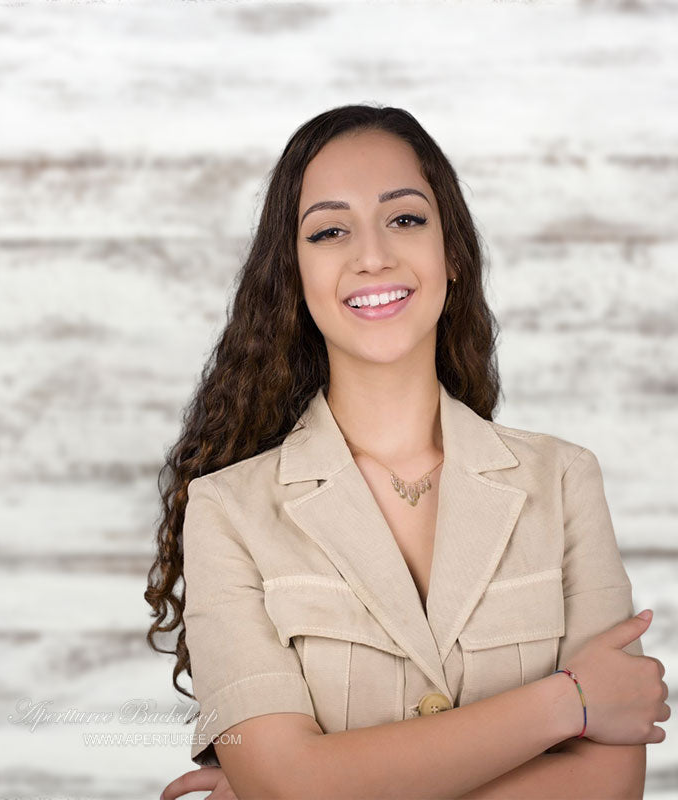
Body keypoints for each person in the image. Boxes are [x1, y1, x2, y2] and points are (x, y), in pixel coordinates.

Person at [145, 104, 669, 800]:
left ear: (450, 251)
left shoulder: (564, 481)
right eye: (330, 231)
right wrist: (567, 703)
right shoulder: (227, 512)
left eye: (405, 218)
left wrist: (315, 785)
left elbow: (608, 786)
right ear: (293, 276)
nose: (372, 255)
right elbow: (287, 783)